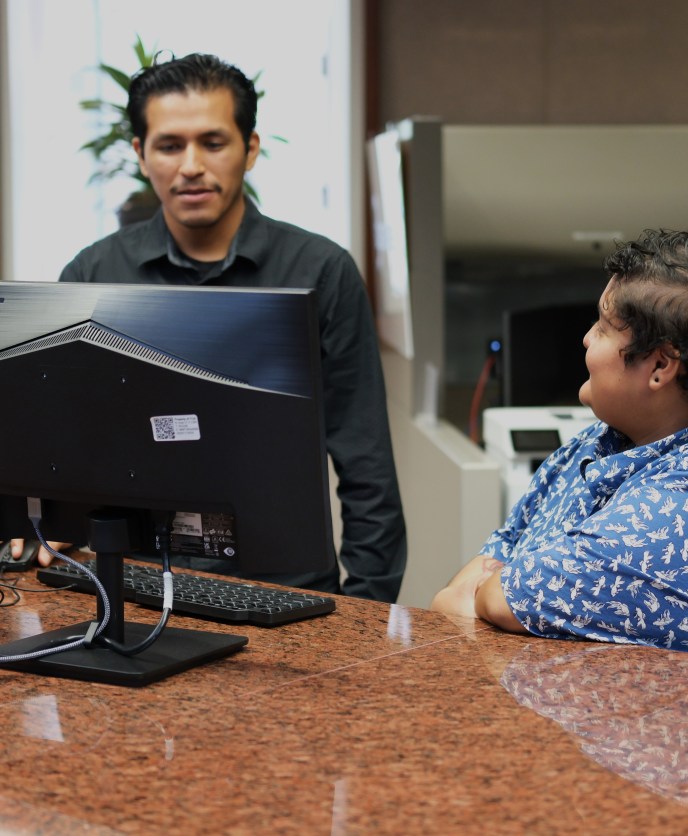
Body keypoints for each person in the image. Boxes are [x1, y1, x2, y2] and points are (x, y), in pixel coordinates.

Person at [7, 52, 406, 602]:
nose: (191, 165)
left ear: (251, 149)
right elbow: (63, 445)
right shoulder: (94, 274)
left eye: (213, 143)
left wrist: (367, 611)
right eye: (170, 145)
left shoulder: (320, 271)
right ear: (141, 155)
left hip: (284, 591)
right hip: (133, 585)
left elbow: (366, 461)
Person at [432, 229, 688, 657]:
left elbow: (499, 599)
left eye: (604, 327)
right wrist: (478, 595)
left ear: (660, 365)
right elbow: (472, 577)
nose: (586, 339)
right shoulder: (596, 441)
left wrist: (483, 595)